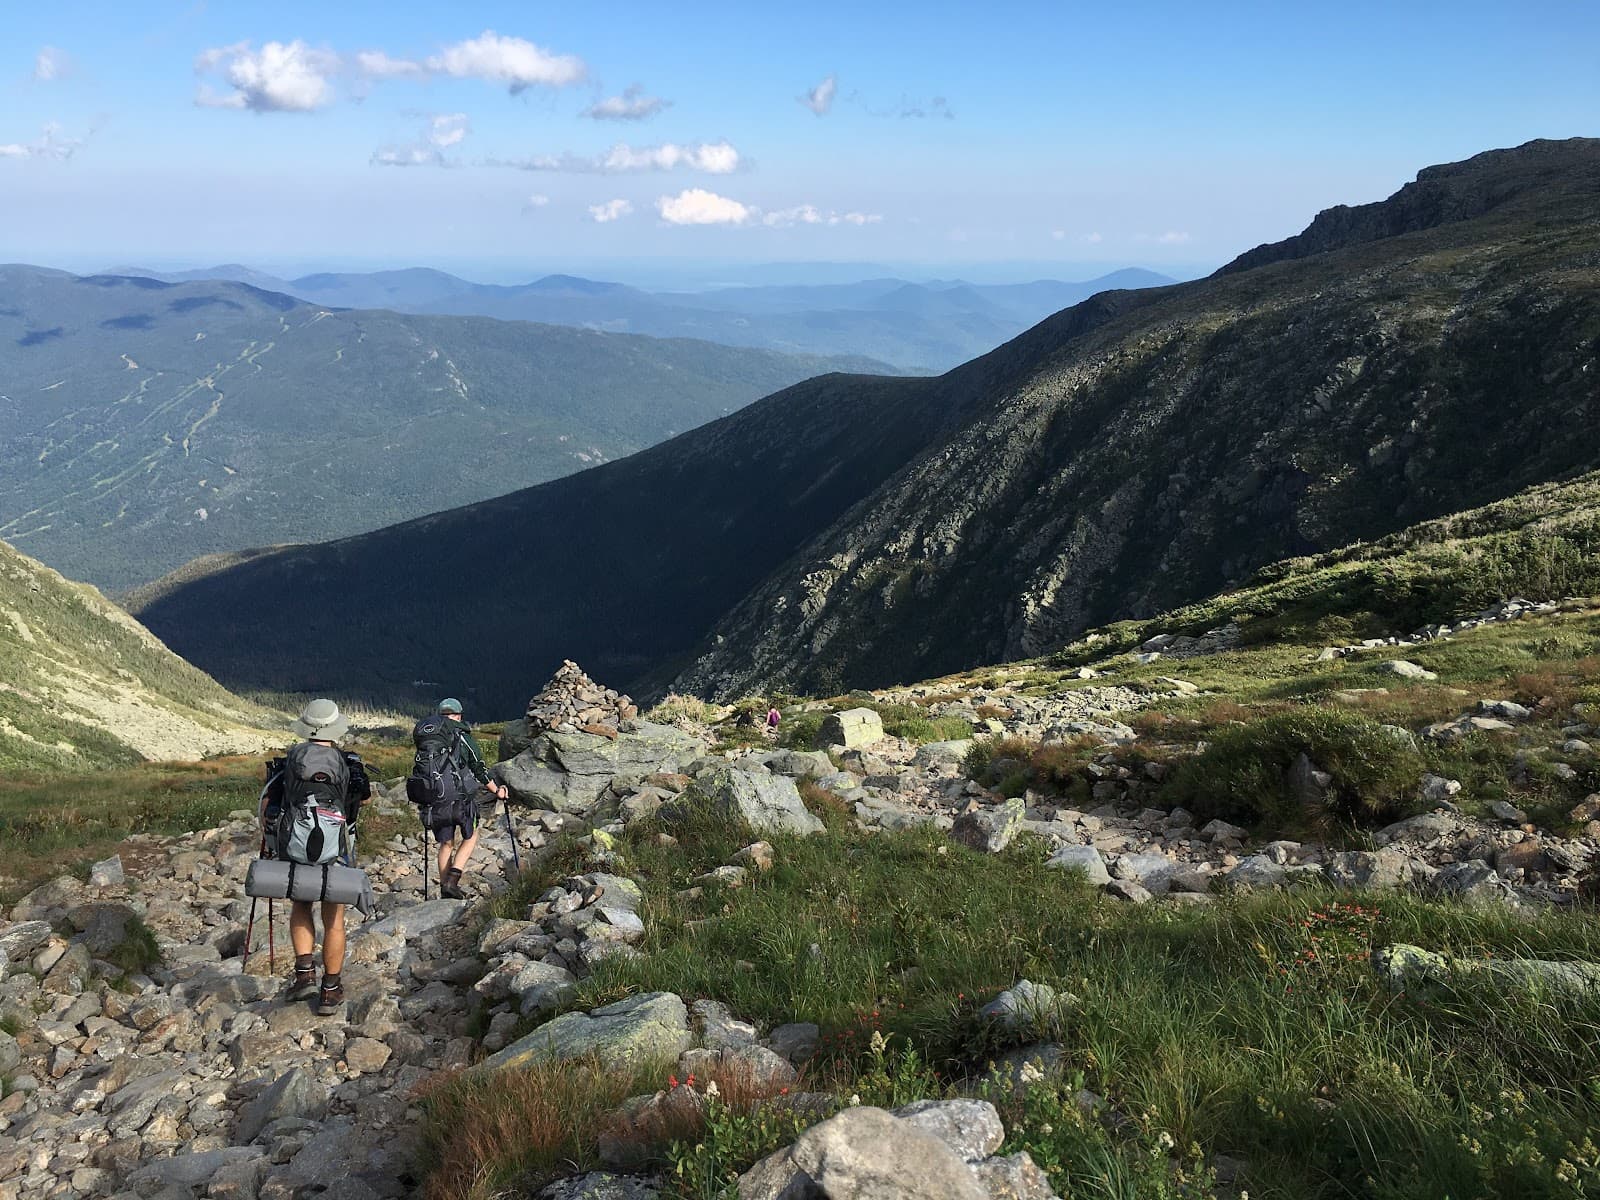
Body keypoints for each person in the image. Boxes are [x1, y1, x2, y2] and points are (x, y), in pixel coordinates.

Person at [261, 698, 371, 1015]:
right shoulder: (347, 761)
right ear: (335, 728)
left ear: (306, 728)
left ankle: (305, 974)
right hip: (336, 845)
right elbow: (362, 799)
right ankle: (330, 990)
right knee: (333, 918)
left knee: (301, 903)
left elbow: (271, 804)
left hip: (296, 844)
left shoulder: (292, 759)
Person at [432, 697, 509, 900]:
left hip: (437, 797)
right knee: (471, 835)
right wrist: (497, 791)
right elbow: (479, 769)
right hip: (461, 797)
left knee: (446, 843)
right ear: (458, 716)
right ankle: (452, 881)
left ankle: (444, 888)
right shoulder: (463, 738)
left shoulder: (430, 739)